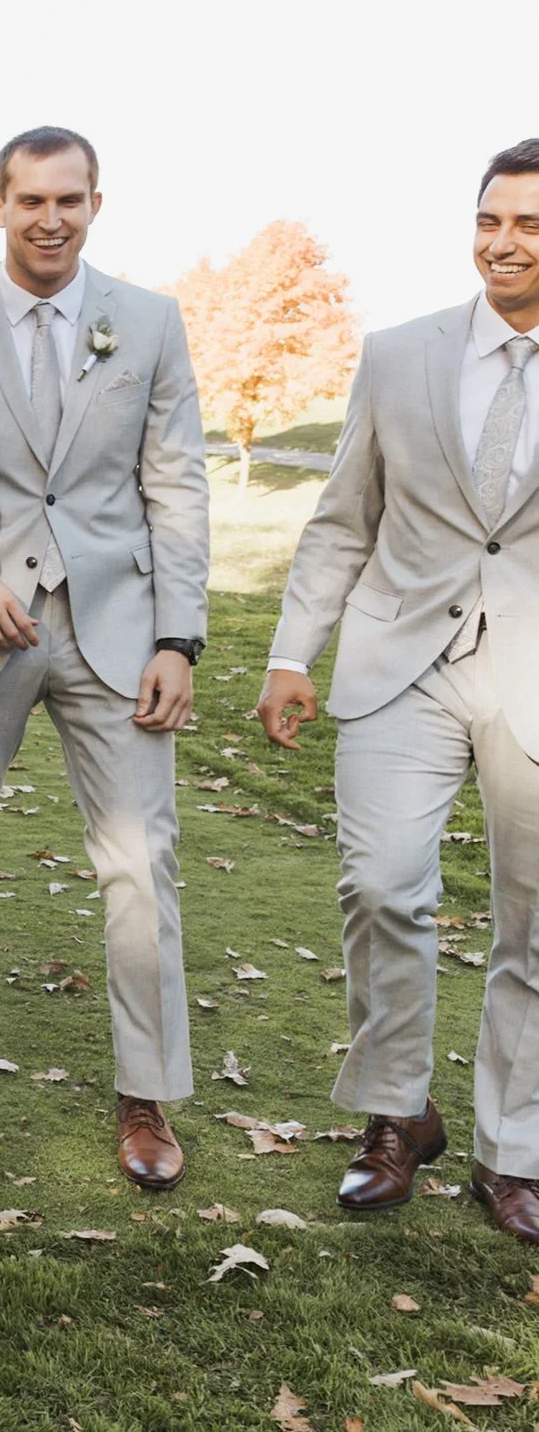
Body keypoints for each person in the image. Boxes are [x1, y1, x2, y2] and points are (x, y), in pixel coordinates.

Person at [0, 127, 209, 1188]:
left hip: (117, 629)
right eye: (30, 199)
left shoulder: (150, 321)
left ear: (95, 205)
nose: (50, 218)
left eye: (69, 199)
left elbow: (177, 486)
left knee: (142, 864)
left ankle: (145, 1092)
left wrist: (178, 637)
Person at [259, 138, 539, 1241]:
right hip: (398, 661)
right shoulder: (397, 354)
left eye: (529, 224)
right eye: (490, 219)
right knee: (380, 885)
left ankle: (512, 1153)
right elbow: (341, 520)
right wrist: (291, 653)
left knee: (533, 925)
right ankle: (395, 1114)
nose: (503, 243)